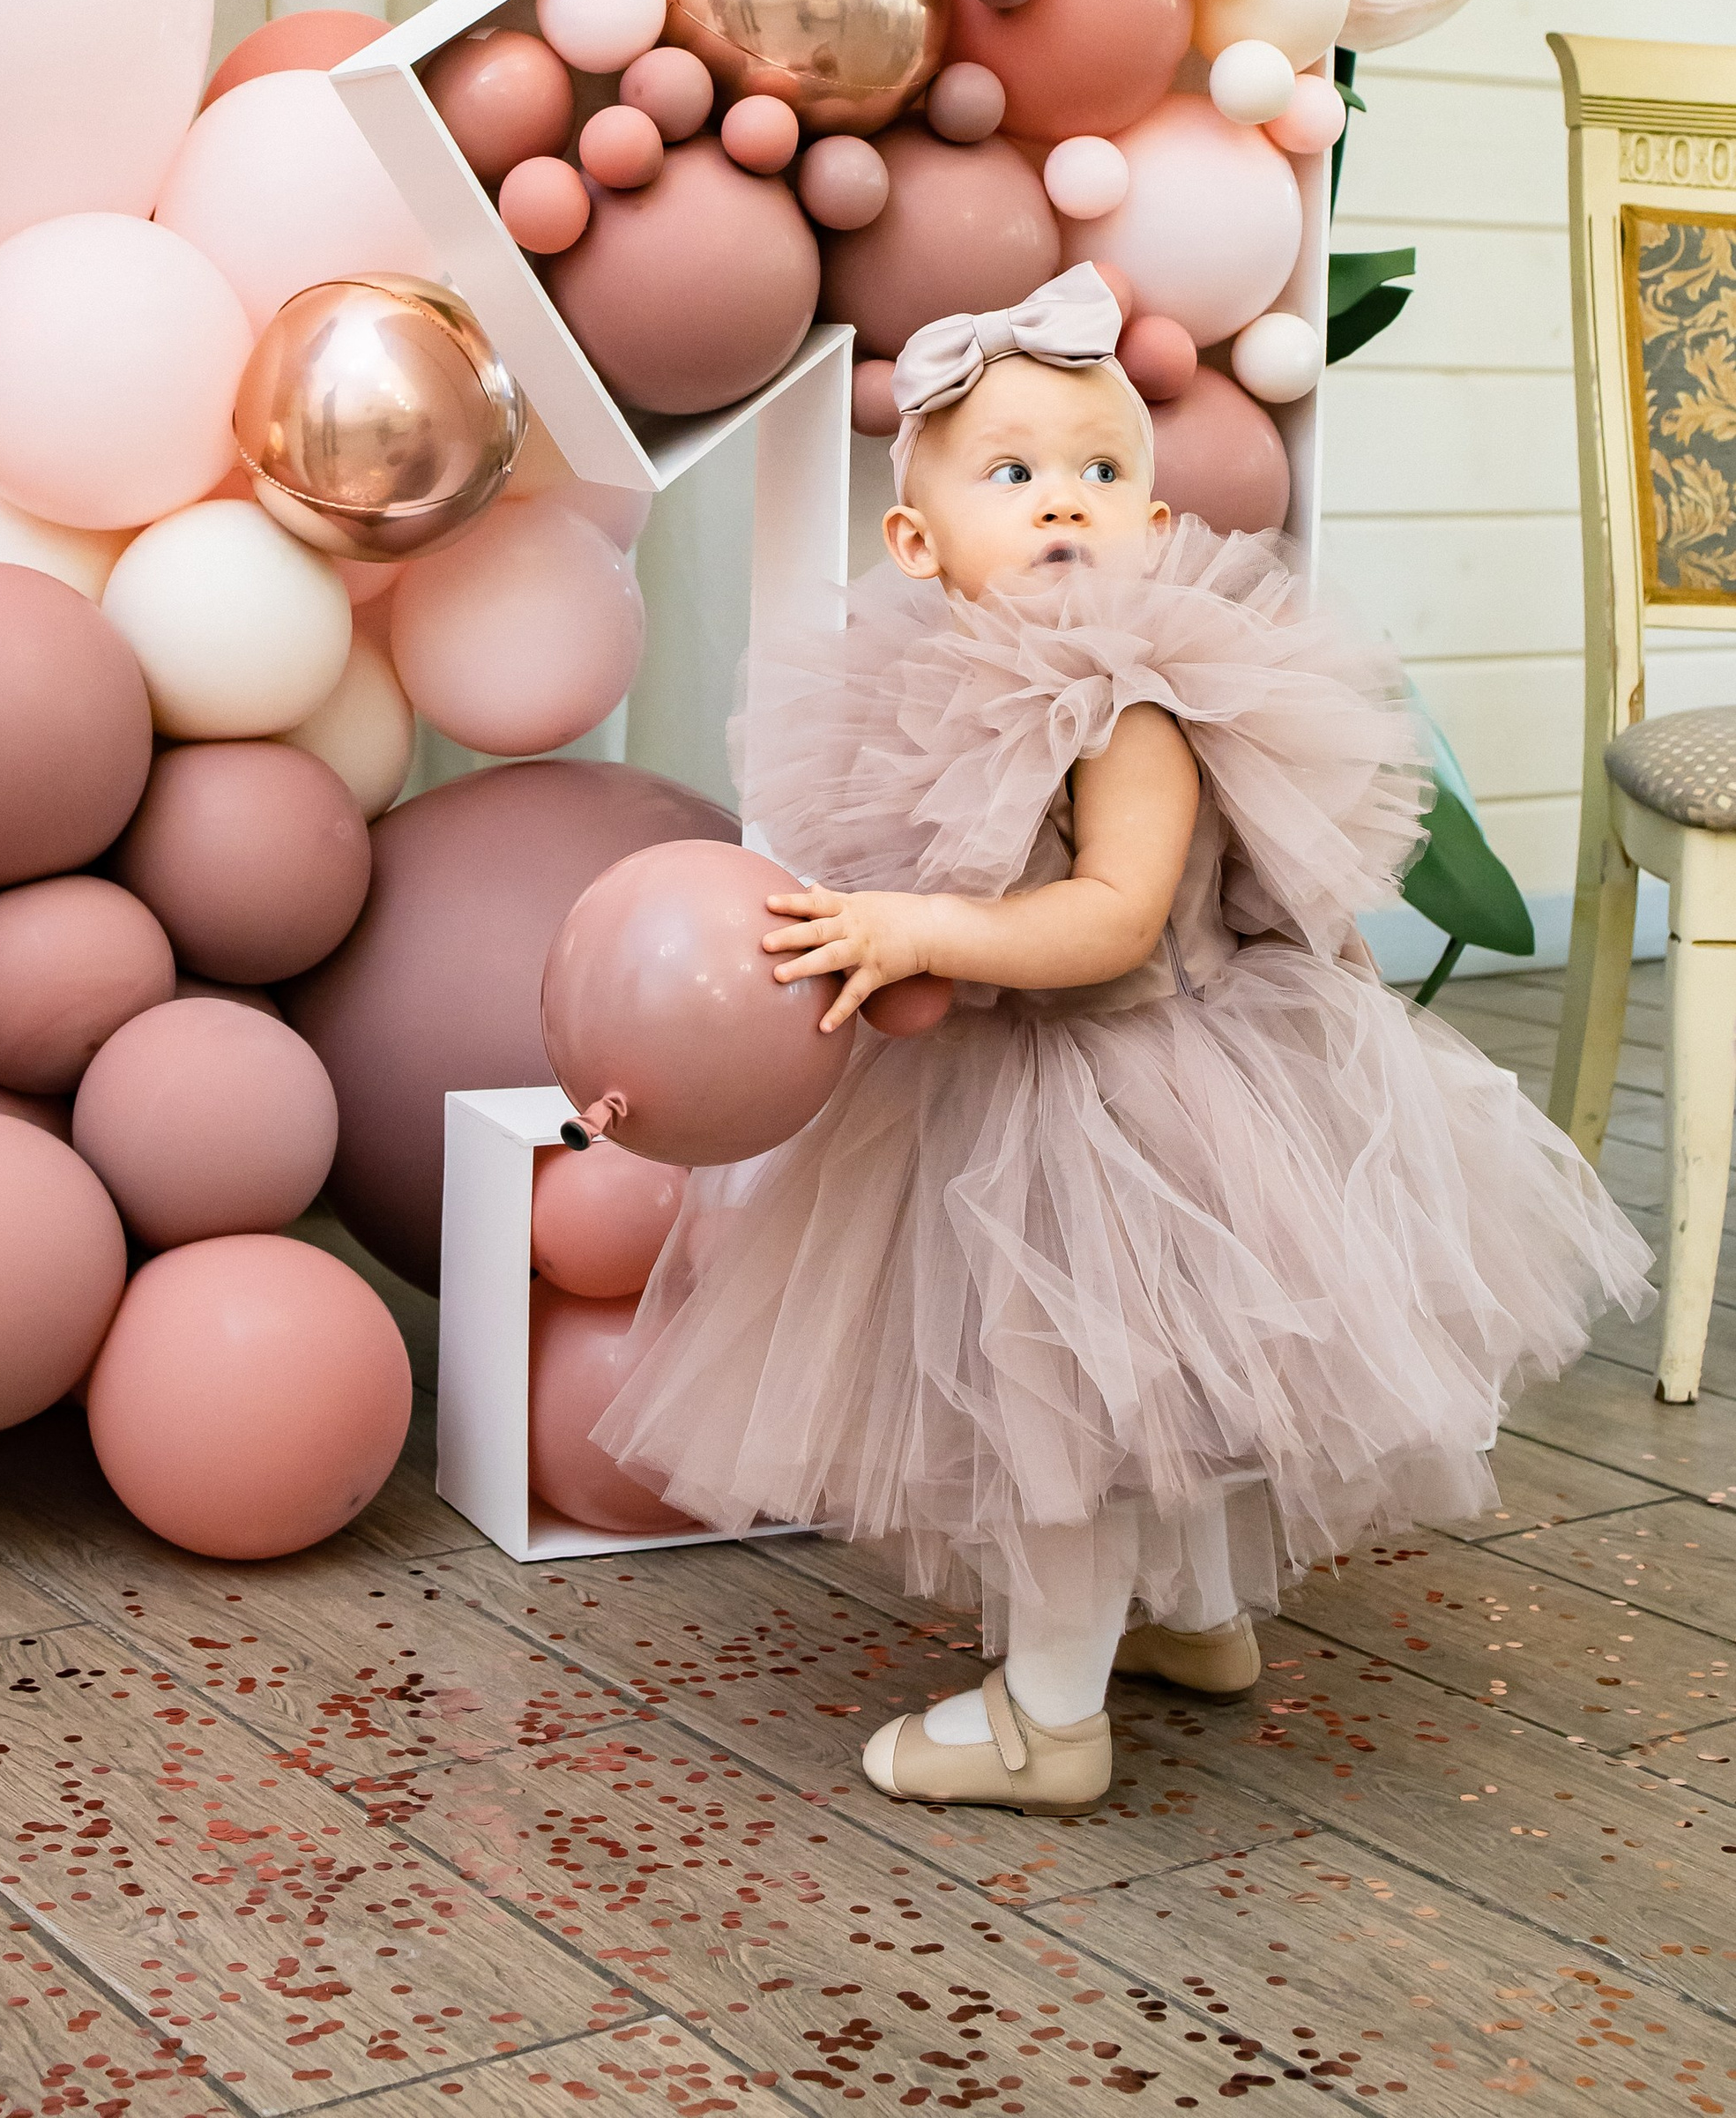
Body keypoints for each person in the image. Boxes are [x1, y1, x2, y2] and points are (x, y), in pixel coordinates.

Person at [592, 265, 1651, 1813]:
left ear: (1156, 528)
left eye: (1103, 473)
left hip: (1134, 1088)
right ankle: (1195, 1624)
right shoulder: (929, 687)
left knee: (1062, 1409)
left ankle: (1045, 1719)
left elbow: (1111, 919)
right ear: (918, 542)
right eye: (1013, 476)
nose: (1064, 505)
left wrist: (922, 935)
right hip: (999, 1079)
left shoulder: (1127, 702)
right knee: (1143, 1397)